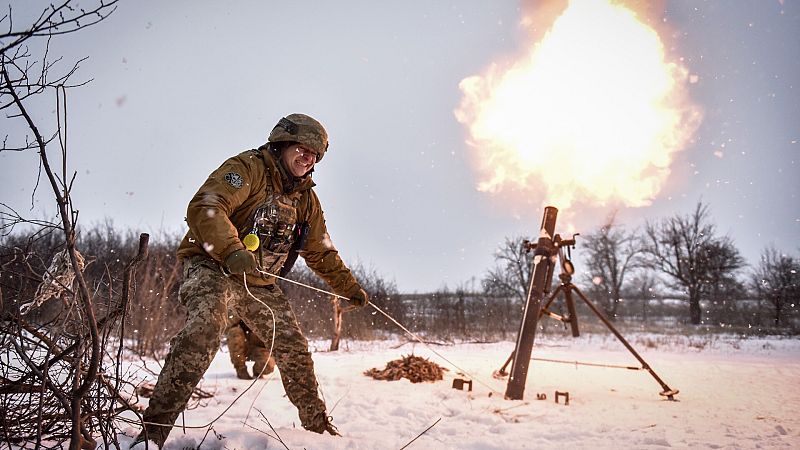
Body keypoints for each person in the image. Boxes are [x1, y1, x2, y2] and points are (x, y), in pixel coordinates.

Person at [133, 113, 369, 448]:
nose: (307, 158)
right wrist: (230, 250)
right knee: (203, 331)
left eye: (314, 155)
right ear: (282, 144)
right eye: (302, 149)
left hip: (260, 284)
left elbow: (321, 252)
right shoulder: (248, 169)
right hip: (213, 267)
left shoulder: (306, 201)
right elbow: (206, 207)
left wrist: (349, 288)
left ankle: (318, 432)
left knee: (294, 348)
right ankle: (152, 434)